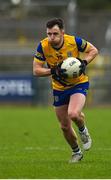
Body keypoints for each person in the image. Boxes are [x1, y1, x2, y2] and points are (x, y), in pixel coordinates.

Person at [33, 18, 98, 163]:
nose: (51, 37)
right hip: (59, 88)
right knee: (64, 126)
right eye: (49, 34)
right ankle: (76, 152)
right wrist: (53, 70)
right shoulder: (43, 46)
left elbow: (93, 50)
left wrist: (84, 62)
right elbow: (36, 70)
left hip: (78, 84)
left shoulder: (74, 41)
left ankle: (83, 130)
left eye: (55, 33)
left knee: (74, 114)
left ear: (62, 32)